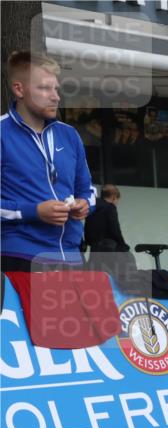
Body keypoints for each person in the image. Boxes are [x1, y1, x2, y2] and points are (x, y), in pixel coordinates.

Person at [1, 51, 94, 272]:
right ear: (19, 89)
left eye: (56, 89)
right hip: (20, 256)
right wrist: (33, 211)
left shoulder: (69, 135)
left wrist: (84, 204)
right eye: (44, 88)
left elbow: (88, 189)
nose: (55, 97)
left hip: (72, 257)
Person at [84, 184, 129, 253]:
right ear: (114, 197)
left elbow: (87, 225)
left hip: (94, 247)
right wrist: (122, 244)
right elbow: (115, 229)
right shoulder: (110, 208)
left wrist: (88, 241)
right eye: (117, 201)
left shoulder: (93, 206)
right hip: (108, 247)